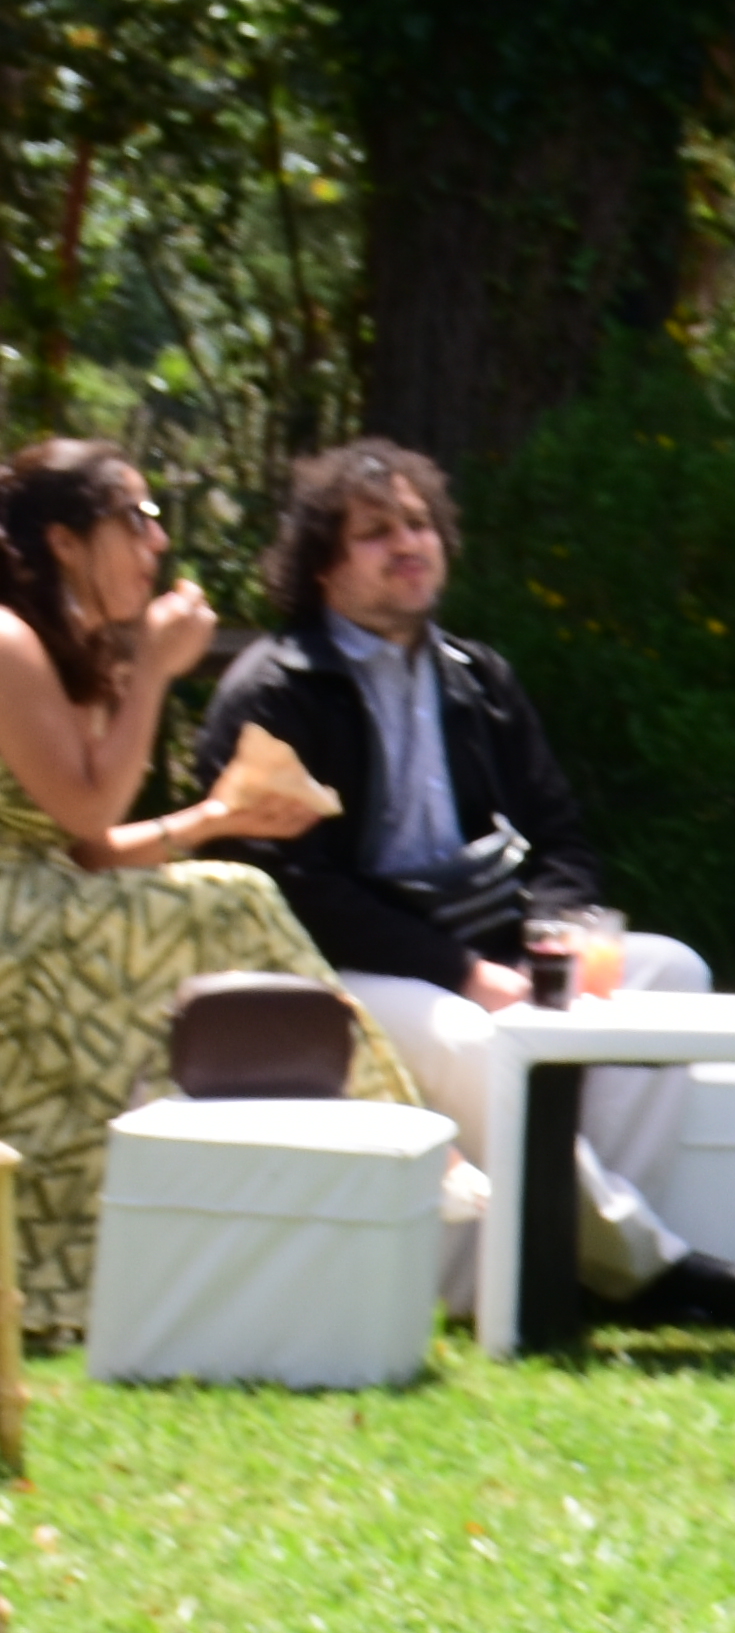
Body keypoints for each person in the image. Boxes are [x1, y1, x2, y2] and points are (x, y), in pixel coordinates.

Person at [185, 438, 735, 1332]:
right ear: (322, 565)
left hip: (491, 946)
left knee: (668, 975)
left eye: (419, 523)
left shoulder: (480, 679)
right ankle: (646, 1269)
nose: (409, 543)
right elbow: (290, 885)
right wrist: (463, 970)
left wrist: (551, 941)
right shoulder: (277, 691)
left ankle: (571, 1269)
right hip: (343, 969)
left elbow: (558, 836)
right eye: (375, 533)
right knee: (473, 1033)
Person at [0, 439, 434, 1340]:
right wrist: (154, 669)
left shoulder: (69, 647)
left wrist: (211, 817)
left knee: (222, 891)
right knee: (232, 902)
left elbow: (85, 852)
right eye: (137, 518)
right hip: (15, 922)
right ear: (65, 542)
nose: (159, 543)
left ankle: (325, 1172)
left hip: (41, 905)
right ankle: (388, 1134)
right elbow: (87, 813)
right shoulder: (7, 640)